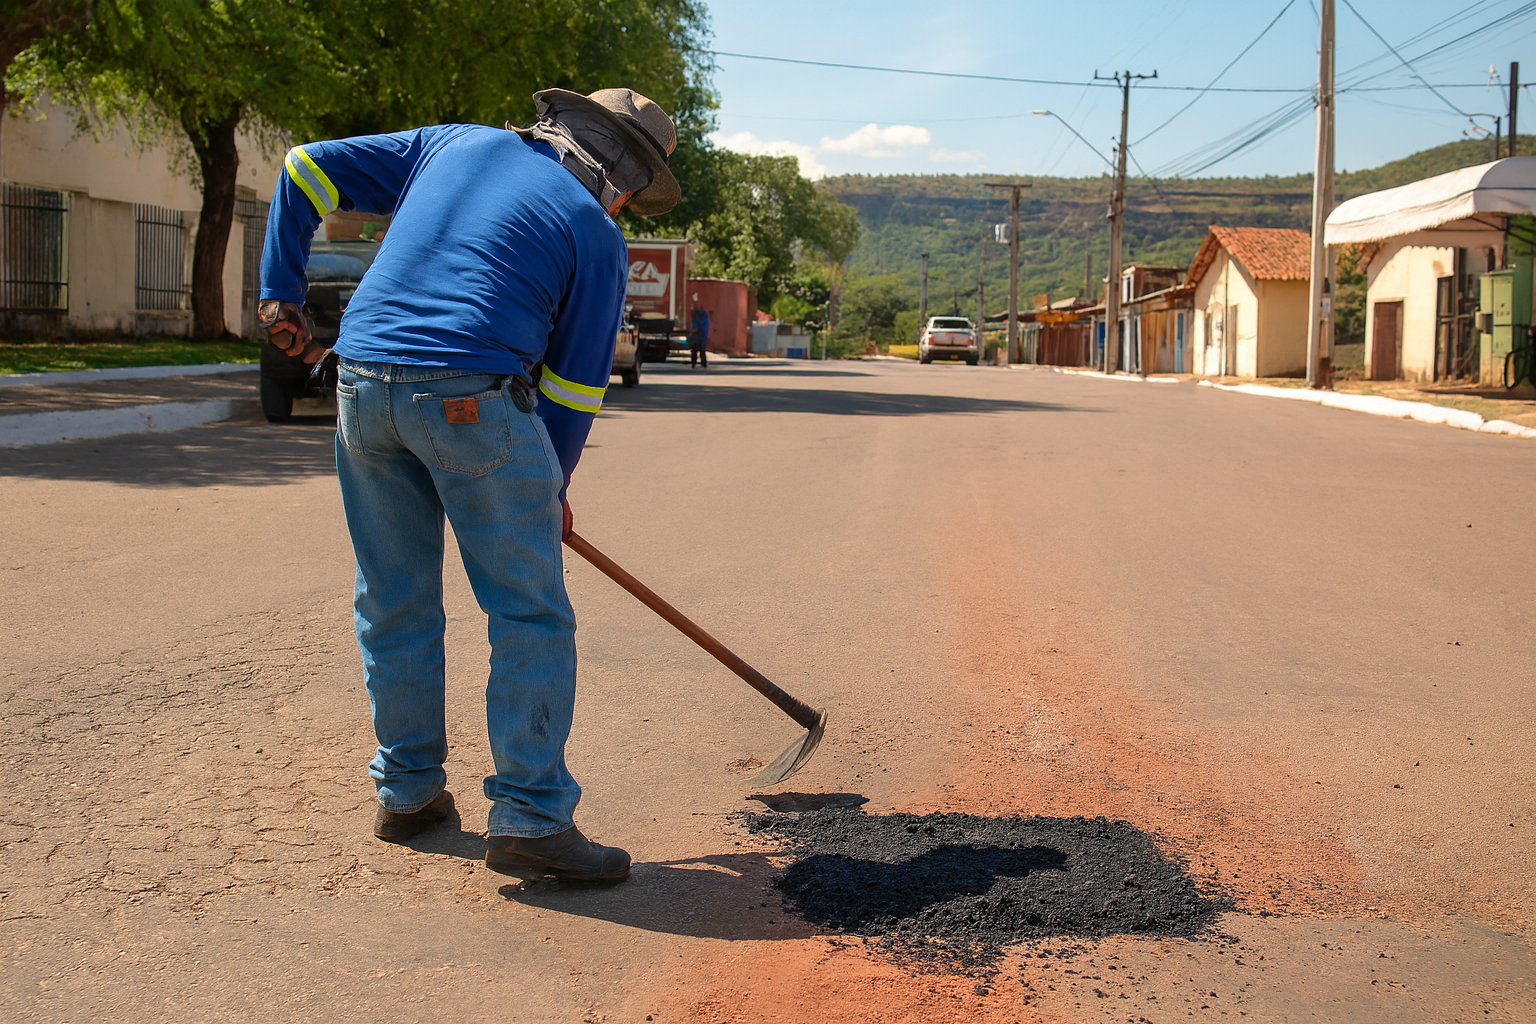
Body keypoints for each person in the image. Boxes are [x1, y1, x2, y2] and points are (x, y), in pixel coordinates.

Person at [258, 88, 680, 884]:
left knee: (394, 597)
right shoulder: (594, 232)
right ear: (621, 176)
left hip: (361, 388)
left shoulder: (452, 144)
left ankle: (408, 794)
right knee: (527, 609)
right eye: (632, 194)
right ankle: (530, 815)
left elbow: (304, 167)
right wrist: (547, 493)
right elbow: (572, 393)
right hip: (467, 398)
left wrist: (279, 290)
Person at [689, 304, 711, 368]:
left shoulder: (699, 314)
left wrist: (694, 329)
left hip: (699, 334)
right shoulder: (702, 314)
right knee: (701, 349)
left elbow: (696, 325)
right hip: (701, 334)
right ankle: (702, 363)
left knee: (696, 349)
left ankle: (695, 363)